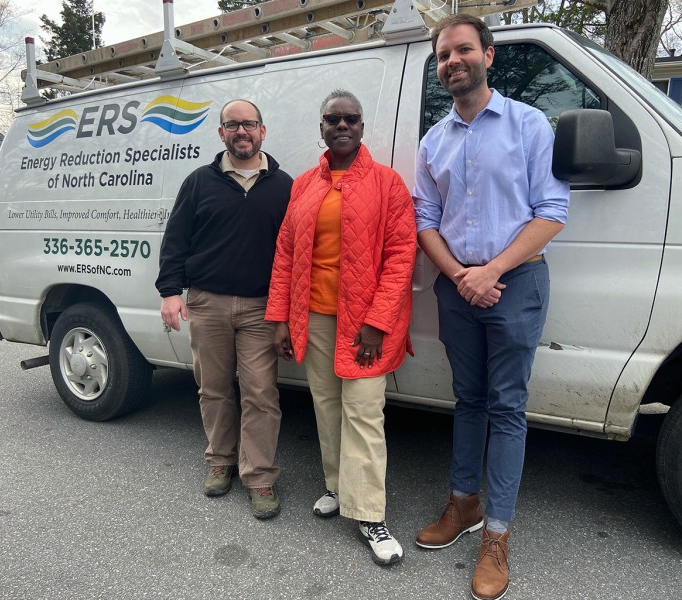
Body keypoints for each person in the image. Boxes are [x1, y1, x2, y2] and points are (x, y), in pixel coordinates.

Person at [412, 14, 570, 600]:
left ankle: (496, 536)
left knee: (507, 407)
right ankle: (463, 504)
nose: (452, 61)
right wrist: (459, 275)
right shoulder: (435, 140)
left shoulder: (529, 125)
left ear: (488, 55)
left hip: (515, 285)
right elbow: (424, 219)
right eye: (443, 55)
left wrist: (491, 271)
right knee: (468, 401)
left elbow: (552, 210)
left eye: (462, 50)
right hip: (457, 287)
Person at [265, 89, 416, 566]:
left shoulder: (388, 184)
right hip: (315, 318)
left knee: (365, 413)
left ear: (363, 127)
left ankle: (370, 513)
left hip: (365, 324)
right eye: (334, 119)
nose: (343, 126)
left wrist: (376, 323)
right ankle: (336, 487)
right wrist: (282, 320)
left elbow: (401, 257)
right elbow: (286, 254)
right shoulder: (305, 184)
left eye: (351, 118)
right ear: (323, 127)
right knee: (326, 407)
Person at [156, 99, 292, 519]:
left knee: (260, 393)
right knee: (212, 387)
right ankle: (220, 460)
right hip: (207, 302)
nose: (241, 132)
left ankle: (260, 477)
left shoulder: (285, 185)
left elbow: (293, 252)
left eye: (249, 124)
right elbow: (176, 238)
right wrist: (169, 291)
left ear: (263, 130)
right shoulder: (199, 181)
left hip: (259, 308)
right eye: (232, 125)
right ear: (221, 134)